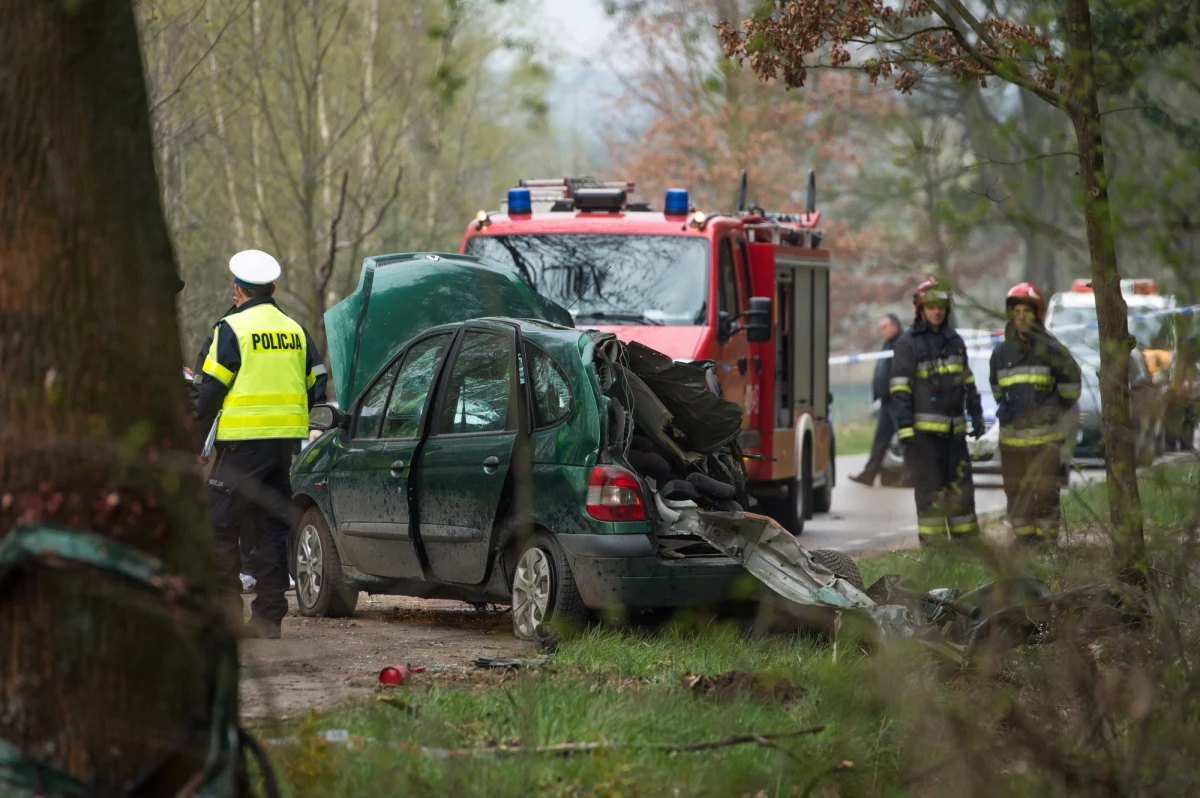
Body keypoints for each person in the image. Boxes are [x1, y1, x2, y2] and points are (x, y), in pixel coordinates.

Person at [194, 250, 327, 638]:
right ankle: (268, 619)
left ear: (237, 289)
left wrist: (194, 438)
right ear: (273, 288)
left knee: (218, 527)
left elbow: (209, 392)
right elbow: (316, 386)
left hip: (239, 449)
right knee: (270, 529)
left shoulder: (230, 329)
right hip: (282, 448)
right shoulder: (296, 330)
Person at [890, 277, 985, 545]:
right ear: (920, 309)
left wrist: (975, 412)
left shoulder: (954, 341)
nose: (936, 311)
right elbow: (900, 391)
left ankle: (969, 552)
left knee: (962, 495)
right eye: (931, 307)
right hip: (925, 440)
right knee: (930, 498)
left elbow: (967, 381)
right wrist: (906, 431)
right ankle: (935, 556)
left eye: (941, 306)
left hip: (955, 438)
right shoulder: (907, 345)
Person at [990, 283, 1081, 544]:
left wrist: (1052, 410)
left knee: (1046, 497)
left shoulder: (1053, 351)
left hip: (1046, 442)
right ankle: (1024, 548)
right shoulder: (1001, 354)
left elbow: (1071, 386)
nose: (1020, 317)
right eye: (1016, 311)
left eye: (1026, 311)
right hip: (1012, 443)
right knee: (1016, 495)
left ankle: (1048, 550)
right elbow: (998, 390)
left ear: (1036, 314)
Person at [850, 313, 903, 486]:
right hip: (886, 402)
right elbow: (882, 372)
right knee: (880, 441)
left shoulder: (902, 344)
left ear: (895, 326)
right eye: (880, 328)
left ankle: (913, 477)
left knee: (906, 440)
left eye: (884, 327)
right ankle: (868, 475)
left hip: (898, 400)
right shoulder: (887, 344)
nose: (882, 331)